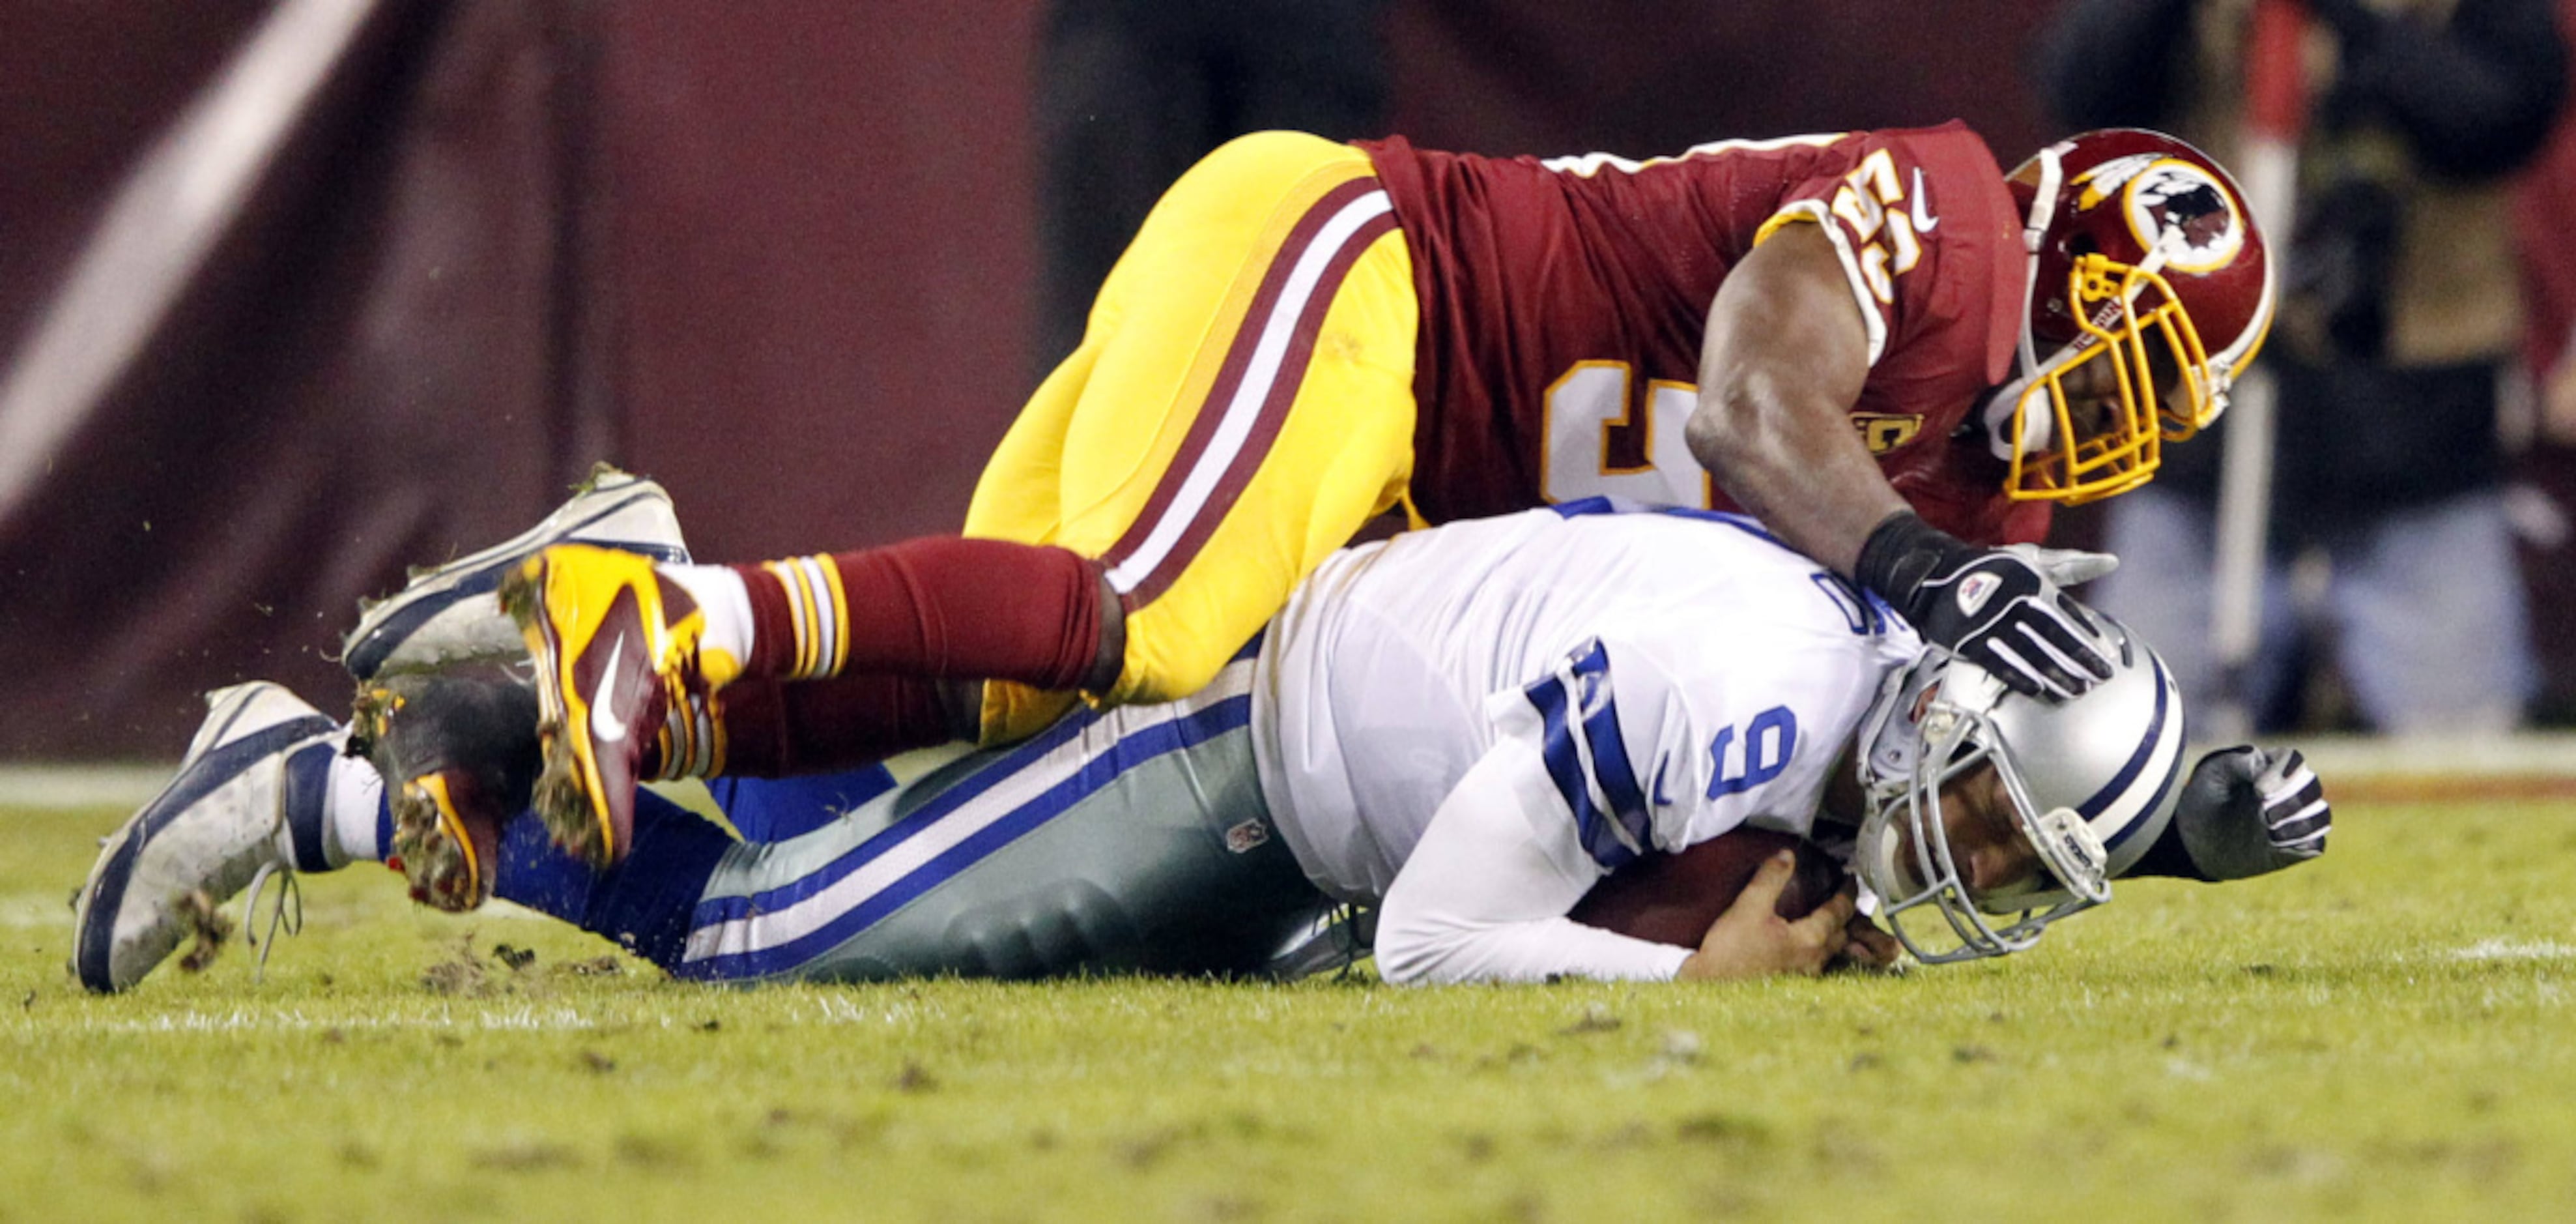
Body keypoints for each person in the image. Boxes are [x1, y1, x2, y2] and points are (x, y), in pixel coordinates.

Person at [455, 124, 2279, 867]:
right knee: (1146, 621)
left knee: (1002, 689)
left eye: (2163, 412)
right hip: (1368, 276)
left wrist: (2156, 824)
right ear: (2049, 257)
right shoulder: (1945, 218)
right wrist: (1909, 560)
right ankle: (658, 598)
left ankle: (454, 733)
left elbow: (1929, 775)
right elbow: (1748, 405)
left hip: (1387, 471)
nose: (2120, 430)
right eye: (2119, 365)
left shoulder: (1987, 506)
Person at [72, 493, 2329, 993]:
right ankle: (321, 779)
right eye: (1996, 833)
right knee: (777, 933)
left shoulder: (1862, 708)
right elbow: (1452, 941)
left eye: (2023, 868)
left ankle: (638, 614)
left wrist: (2152, 829)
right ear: (1932, 714)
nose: (1977, 877)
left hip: (1350, 810)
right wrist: (1699, 985)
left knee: (858, 871)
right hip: (1258, 778)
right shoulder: (1733, 693)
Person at [2036, 0, 2564, 733]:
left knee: (2466, 741)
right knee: (2126, 737)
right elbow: (2082, 92)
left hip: (2415, 455)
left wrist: (2349, 19)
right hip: (2199, 458)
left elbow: (2499, 119)